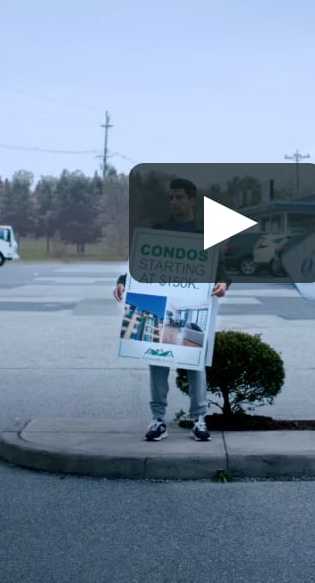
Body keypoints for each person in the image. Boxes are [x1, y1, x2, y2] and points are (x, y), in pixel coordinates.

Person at [113, 177, 230, 442]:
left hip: (194, 304)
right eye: (171, 197)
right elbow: (141, 262)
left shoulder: (206, 232)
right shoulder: (159, 229)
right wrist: (123, 281)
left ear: (191, 200)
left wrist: (223, 282)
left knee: (195, 362)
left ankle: (199, 419)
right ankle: (158, 420)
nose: (174, 201)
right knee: (157, 359)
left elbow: (221, 268)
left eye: (179, 197)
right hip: (161, 303)